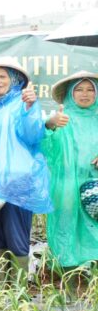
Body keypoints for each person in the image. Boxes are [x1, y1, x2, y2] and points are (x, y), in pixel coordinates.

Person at [0, 56, 51, 278]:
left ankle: (18, 293)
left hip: (19, 183)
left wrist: (30, 107)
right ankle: (1, 290)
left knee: (17, 236)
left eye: (3, 77)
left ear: (15, 79)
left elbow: (34, 134)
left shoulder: (24, 105)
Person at [41, 71, 98, 269]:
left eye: (91, 89)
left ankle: (92, 267)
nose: (85, 94)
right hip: (65, 185)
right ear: (70, 95)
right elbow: (44, 146)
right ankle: (67, 269)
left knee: (93, 224)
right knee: (66, 222)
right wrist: (50, 126)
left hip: (94, 185)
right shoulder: (61, 119)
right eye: (79, 90)